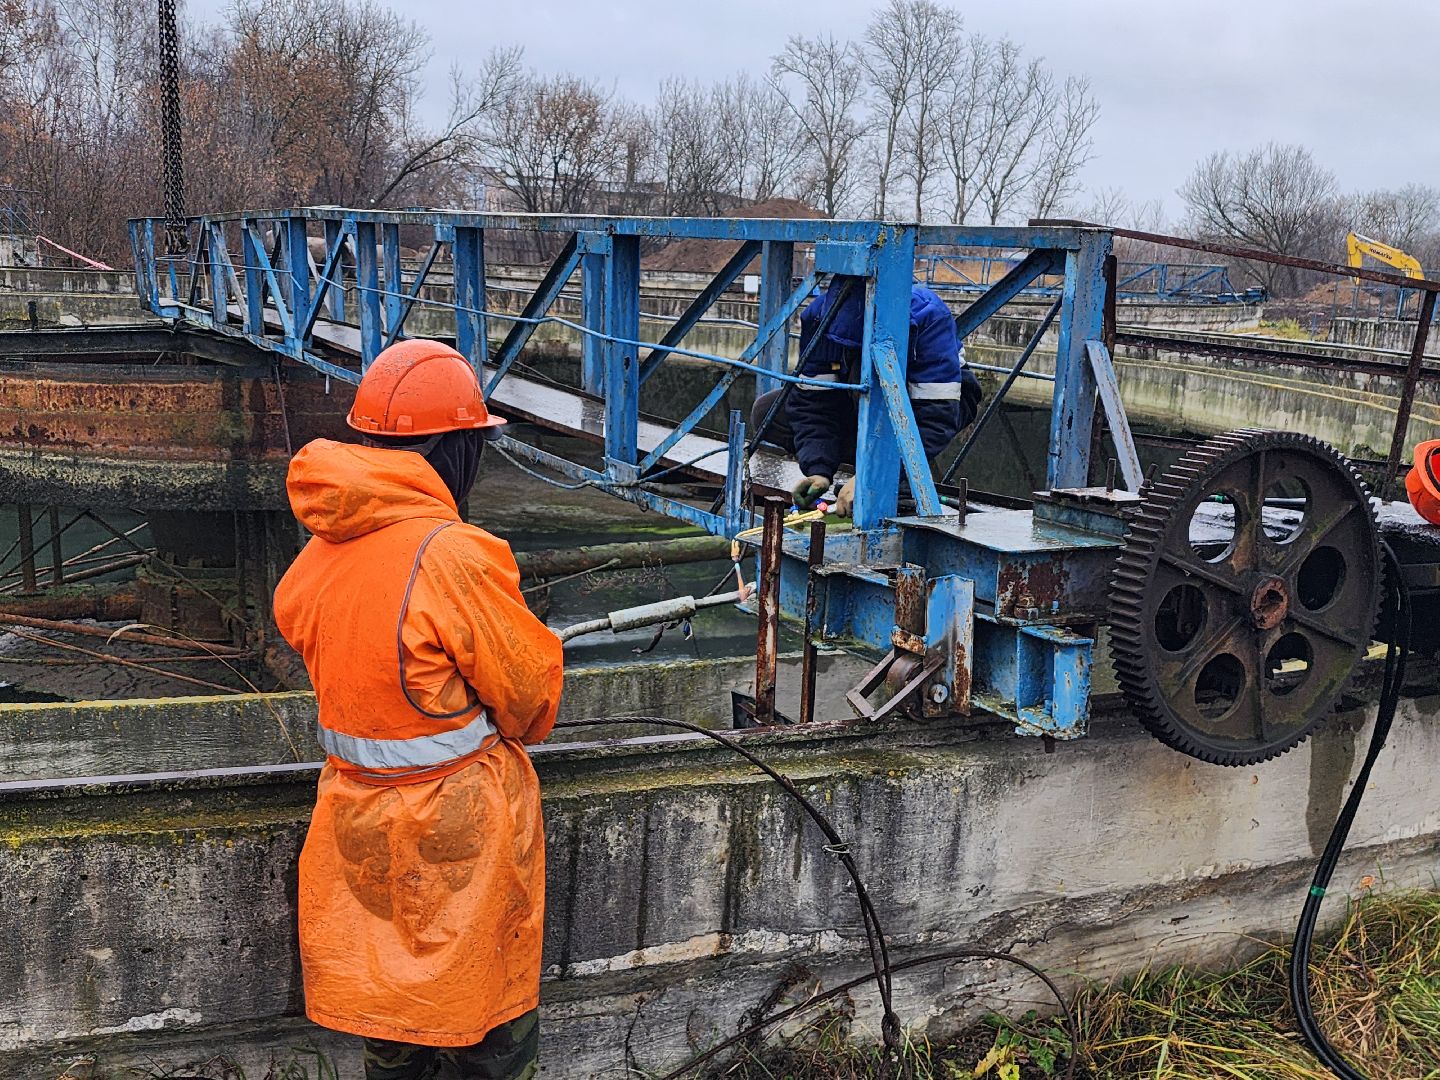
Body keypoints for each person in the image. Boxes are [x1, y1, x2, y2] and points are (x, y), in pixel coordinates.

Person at [273, 338, 564, 1080]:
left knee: (391, 1027)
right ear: (453, 448)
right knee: (489, 1024)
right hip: (457, 836)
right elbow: (531, 700)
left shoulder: (316, 556)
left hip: (358, 829)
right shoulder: (455, 555)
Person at [750, 276, 982, 515]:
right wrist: (818, 469)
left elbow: (935, 419)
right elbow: (813, 406)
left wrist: (872, 476)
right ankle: (861, 469)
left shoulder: (928, 317)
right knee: (769, 410)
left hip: (931, 405)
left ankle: (898, 479)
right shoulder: (819, 318)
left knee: (887, 403)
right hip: (858, 399)